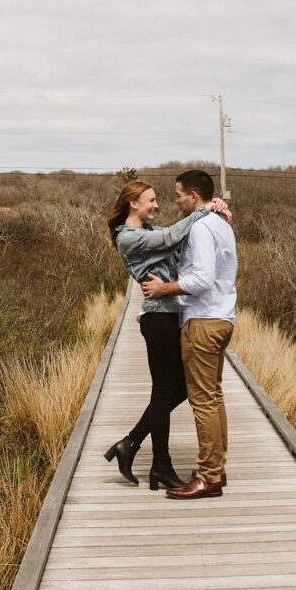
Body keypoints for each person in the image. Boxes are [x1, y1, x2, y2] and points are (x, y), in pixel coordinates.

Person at [103, 179, 230, 491]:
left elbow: (178, 244)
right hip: (158, 318)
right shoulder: (129, 238)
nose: (157, 205)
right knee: (163, 393)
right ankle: (160, 464)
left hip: (172, 314)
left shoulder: (147, 233)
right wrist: (204, 211)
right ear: (134, 204)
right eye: (151, 201)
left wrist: (217, 213)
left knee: (182, 390)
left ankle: (130, 443)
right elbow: (174, 235)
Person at [140, 169, 237, 500]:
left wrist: (163, 288)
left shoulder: (201, 229)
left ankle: (208, 477)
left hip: (203, 322)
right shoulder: (222, 224)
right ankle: (216, 468)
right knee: (214, 394)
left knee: (203, 400)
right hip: (222, 318)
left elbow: (202, 279)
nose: (175, 200)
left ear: (194, 197)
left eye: (178, 194)